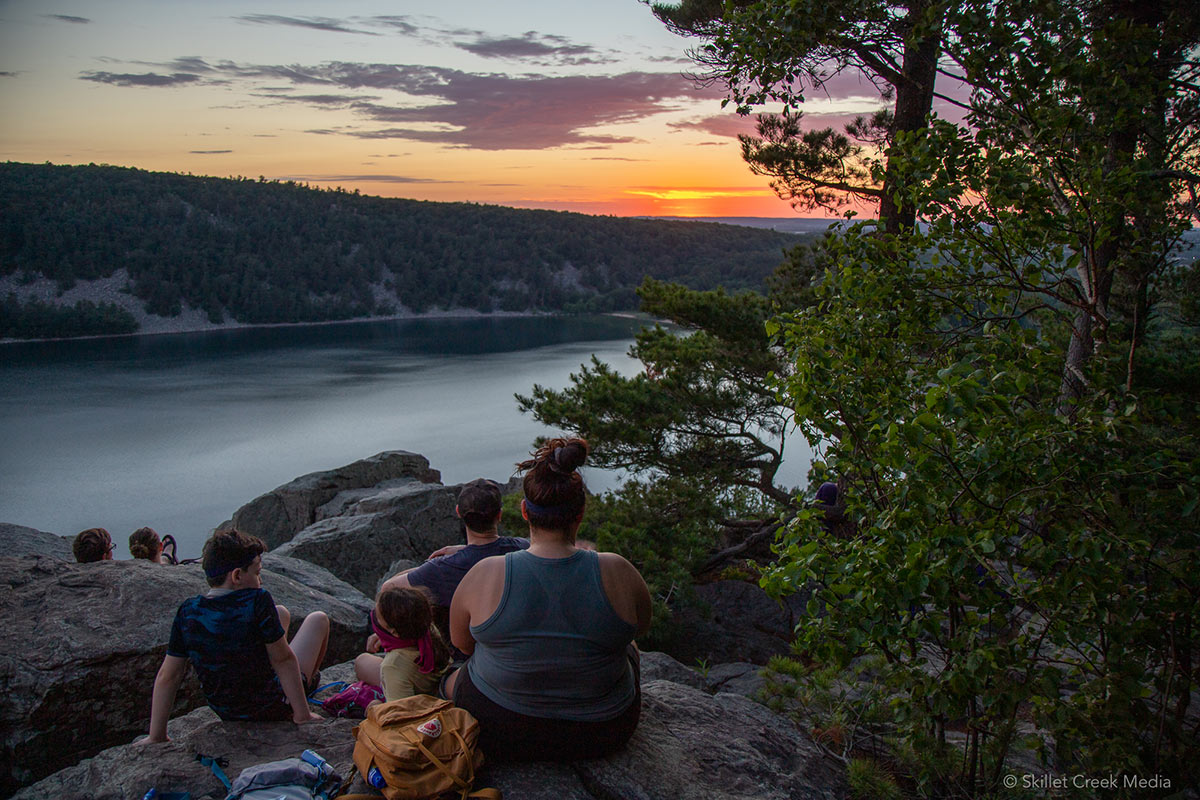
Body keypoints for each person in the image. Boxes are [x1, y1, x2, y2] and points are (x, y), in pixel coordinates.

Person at [443, 437, 652, 761]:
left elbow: (463, 644)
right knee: (630, 649)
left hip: (500, 728)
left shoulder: (486, 574)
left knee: (452, 676)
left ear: (525, 511)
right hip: (604, 731)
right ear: (580, 512)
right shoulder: (618, 570)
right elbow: (640, 629)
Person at [141, 529, 329, 742]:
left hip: (227, 711)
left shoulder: (188, 611)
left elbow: (169, 675)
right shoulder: (257, 601)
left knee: (281, 613)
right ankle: (306, 688)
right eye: (257, 573)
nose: (260, 580)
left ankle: (156, 734)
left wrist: (156, 735)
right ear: (237, 576)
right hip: (270, 707)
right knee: (318, 620)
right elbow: (283, 659)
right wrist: (302, 715)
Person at [377, 478, 529, 653]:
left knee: (362, 663)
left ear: (459, 512)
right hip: (517, 649)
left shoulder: (441, 569)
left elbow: (388, 589)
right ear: (499, 515)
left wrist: (426, 566)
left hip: (464, 660)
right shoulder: (522, 548)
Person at [354, 586, 451, 702]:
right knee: (362, 661)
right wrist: (384, 636)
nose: (374, 615)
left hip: (417, 696)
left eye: (378, 616)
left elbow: (401, 713)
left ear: (394, 631)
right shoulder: (426, 628)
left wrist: (374, 706)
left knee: (362, 663)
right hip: (432, 681)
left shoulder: (393, 665)